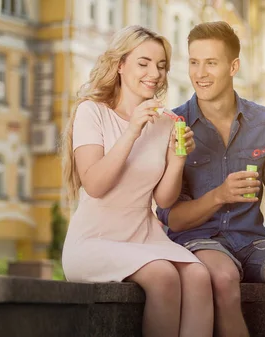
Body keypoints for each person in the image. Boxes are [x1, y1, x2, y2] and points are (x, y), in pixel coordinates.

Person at [156, 21, 265, 337]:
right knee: (223, 281)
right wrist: (219, 196)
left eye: (211, 63)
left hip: (253, 241)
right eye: (194, 62)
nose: (200, 73)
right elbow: (175, 220)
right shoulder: (174, 126)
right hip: (199, 240)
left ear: (233, 66)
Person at [60, 25, 213, 337]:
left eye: (161, 66)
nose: (154, 73)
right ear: (120, 65)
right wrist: (132, 130)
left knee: (198, 275)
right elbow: (96, 185)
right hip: (94, 241)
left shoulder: (165, 122)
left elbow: (165, 200)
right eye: (143, 63)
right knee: (163, 276)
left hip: (143, 237)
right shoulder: (91, 112)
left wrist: (177, 158)